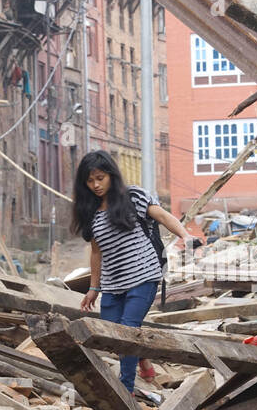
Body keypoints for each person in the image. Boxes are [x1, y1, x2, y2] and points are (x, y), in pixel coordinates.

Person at [71, 150, 189, 396]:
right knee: (113, 335)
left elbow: (163, 216)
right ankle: (142, 358)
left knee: (125, 332)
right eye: (90, 181)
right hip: (113, 283)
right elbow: (96, 252)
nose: (95, 185)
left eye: (100, 178)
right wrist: (94, 288)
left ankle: (125, 389)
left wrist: (185, 235)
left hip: (143, 275)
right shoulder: (91, 211)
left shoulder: (133, 196)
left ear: (111, 175)